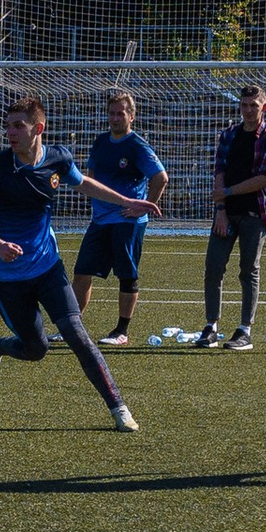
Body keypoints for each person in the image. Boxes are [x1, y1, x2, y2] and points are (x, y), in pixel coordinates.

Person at [0, 97, 142, 432]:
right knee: (36, 349)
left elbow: (83, 182)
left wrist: (126, 201)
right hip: (7, 275)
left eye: (19, 125)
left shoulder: (58, 158)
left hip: (47, 266)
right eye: (8, 125)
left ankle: (118, 408)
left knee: (76, 332)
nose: (10, 132)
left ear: (38, 129)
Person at [71, 89, 168, 346]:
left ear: (131, 117)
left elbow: (161, 177)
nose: (115, 118)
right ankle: (73, 325)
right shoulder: (101, 142)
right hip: (100, 219)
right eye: (112, 113)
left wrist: (144, 207)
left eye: (120, 114)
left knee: (126, 275)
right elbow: (90, 174)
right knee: (82, 272)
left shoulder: (137, 146)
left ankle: (121, 331)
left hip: (127, 220)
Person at [199, 83, 266, 348]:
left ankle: (244, 329)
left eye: (253, 106)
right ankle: (211, 326)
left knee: (249, 271)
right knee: (213, 268)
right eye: (244, 105)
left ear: (264, 108)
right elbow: (219, 170)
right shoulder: (228, 135)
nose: (248, 111)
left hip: (255, 213)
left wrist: (228, 191)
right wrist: (221, 209)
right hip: (227, 213)